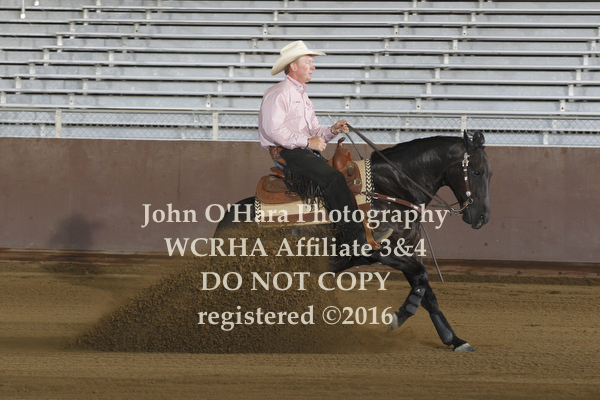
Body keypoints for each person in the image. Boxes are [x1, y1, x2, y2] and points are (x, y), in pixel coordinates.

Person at [258, 41, 392, 253]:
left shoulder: (302, 95)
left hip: (300, 151)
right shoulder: (278, 93)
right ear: (293, 66)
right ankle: (356, 239)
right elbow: (273, 130)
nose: (313, 67)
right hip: (286, 152)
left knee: (338, 176)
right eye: (308, 62)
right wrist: (307, 142)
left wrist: (332, 130)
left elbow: (314, 130)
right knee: (333, 178)